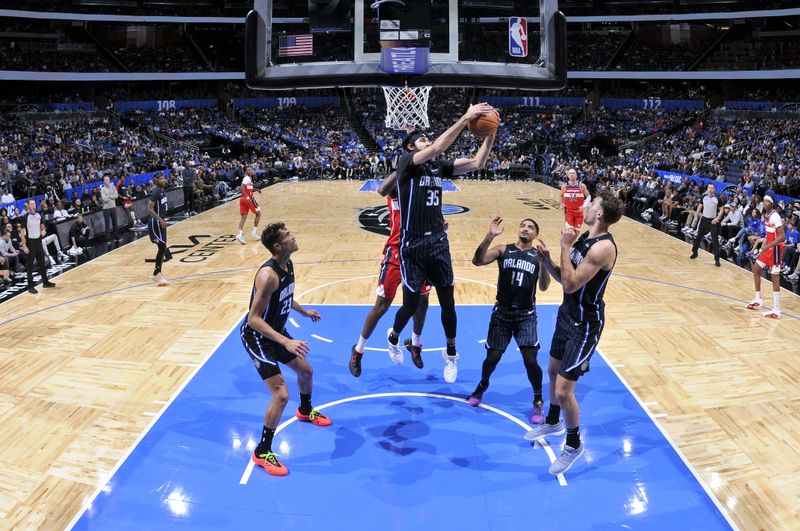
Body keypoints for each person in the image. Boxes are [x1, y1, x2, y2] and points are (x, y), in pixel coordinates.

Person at [378, 102, 497, 383]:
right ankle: (394, 336)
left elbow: (477, 163)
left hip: (438, 244)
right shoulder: (405, 163)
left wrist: (492, 132)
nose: (427, 141)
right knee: (409, 306)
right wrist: (464, 118)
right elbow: (436, 148)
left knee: (448, 304)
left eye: (426, 138)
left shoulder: (436, 168)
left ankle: (451, 354)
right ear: (410, 147)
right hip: (413, 246)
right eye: (421, 139)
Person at [523, 191, 623, 476]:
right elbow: (564, 278)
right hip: (567, 314)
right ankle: (553, 421)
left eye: (592, 204)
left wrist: (564, 246)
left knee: (564, 390)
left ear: (600, 214)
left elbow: (571, 285)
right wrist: (547, 261)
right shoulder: (584, 239)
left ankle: (573, 443)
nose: (587, 206)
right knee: (553, 370)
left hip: (585, 323)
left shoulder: (604, 248)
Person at [243, 222, 331, 477]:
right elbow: (253, 319)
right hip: (258, 337)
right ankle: (262, 451)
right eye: (289, 236)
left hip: (277, 333)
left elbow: (285, 295)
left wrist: (303, 311)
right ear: (278, 246)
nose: (294, 237)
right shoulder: (267, 275)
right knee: (281, 395)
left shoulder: (287, 264)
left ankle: (304, 411)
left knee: (306, 371)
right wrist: (285, 341)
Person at [468, 217, 551, 425]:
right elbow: (477, 261)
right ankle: (483, 384)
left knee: (530, 361)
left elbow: (543, 287)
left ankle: (538, 399)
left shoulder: (537, 256)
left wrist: (545, 263)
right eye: (523, 225)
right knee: (492, 359)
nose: (526, 228)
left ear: (535, 235)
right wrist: (490, 236)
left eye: (531, 227)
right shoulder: (503, 249)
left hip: (526, 316)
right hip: (502, 314)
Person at [349, 185, 431, 377]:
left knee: (422, 302)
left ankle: (415, 344)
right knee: (382, 306)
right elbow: (383, 188)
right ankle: (358, 350)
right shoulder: (398, 189)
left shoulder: (425, 191)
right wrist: (407, 163)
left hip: (420, 253)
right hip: (396, 253)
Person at [746, 194, 785, 319]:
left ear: (772, 204)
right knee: (756, 268)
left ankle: (777, 310)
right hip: (768, 248)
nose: (764, 203)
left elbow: (782, 237)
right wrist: (764, 245)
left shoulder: (775, 216)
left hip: (776, 250)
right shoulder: (767, 215)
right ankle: (758, 299)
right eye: (764, 201)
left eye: (767, 201)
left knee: (775, 277)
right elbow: (769, 235)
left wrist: (768, 246)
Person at [18, 199, 55, 294]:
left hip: (38, 241)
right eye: (31, 204)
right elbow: (22, 232)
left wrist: (44, 231)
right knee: (30, 266)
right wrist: (24, 245)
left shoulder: (39, 215)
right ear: (28, 206)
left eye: (34, 203)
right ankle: (30, 287)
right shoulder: (25, 217)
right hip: (30, 242)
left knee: (42, 263)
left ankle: (45, 282)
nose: (33, 205)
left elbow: (42, 227)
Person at [146, 172, 171, 286]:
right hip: (155, 222)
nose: (163, 180)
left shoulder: (162, 191)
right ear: (156, 181)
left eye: (164, 178)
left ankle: (157, 273)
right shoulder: (156, 192)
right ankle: (157, 274)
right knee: (162, 246)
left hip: (161, 222)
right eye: (161, 179)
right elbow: (149, 209)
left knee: (162, 247)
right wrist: (160, 219)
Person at [690, 183, 723, 267]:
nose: (710, 189)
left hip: (713, 221)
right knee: (698, 236)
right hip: (704, 219)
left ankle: (717, 259)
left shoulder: (717, 198)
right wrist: (696, 217)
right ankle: (695, 252)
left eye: (712, 188)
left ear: (714, 189)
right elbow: (699, 207)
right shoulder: (703, 197)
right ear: (707, 189)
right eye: (709, 187)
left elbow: (722, 209)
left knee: (715, 240)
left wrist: (717, 218)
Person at [236, 166, 262, 245]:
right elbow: (242, 188)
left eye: (251, 169)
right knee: (258, 213)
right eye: (248, 170)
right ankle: (254, 232)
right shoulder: (246, 178)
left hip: (242, 199)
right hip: (248, 199)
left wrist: (256, 189)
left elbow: (249, 189)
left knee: (243, 217)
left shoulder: (249, 179)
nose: (250, 171)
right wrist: (248, 197)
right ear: (246, 171)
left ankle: (239, 234)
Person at [100, 175, 119, 242]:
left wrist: (109, 196)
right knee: (107, 224)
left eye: (108, 179)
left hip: (113, 207)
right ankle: (108, 239)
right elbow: (104, 199)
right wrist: (112, 197)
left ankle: (116, 237)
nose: (107, 181)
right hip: (106, 208)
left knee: (115, 223)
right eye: (105, 179)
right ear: (103, 181)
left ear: (109, 180)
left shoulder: (113, 187)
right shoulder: (102, 189)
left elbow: (116, 195)